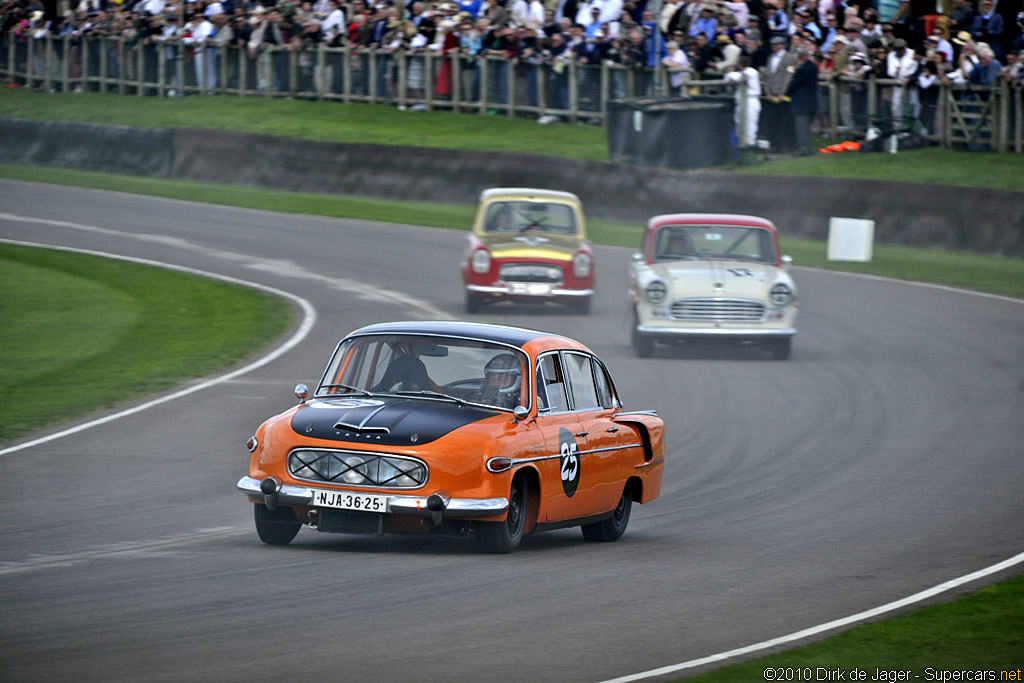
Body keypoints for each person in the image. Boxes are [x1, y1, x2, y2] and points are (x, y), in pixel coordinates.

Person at [786, 46, 818, 156]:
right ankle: (808, 148)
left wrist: (786, 91)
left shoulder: (803, 69)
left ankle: (804, 149)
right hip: (809, 101)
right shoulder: (812, 66)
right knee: (806, 128)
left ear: (801, 57)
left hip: (801, 102)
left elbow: (794, 83)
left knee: (801, 127)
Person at [725, 54, 761, 146]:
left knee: (750, 126)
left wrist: (730, 73)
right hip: (741, 101)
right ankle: (741, 148)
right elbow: (727, 79)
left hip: (751, 101)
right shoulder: (741, 72)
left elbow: (735, 77)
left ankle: (750, 149)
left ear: (741, 65)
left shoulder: (751, 71)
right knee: (739, 125)